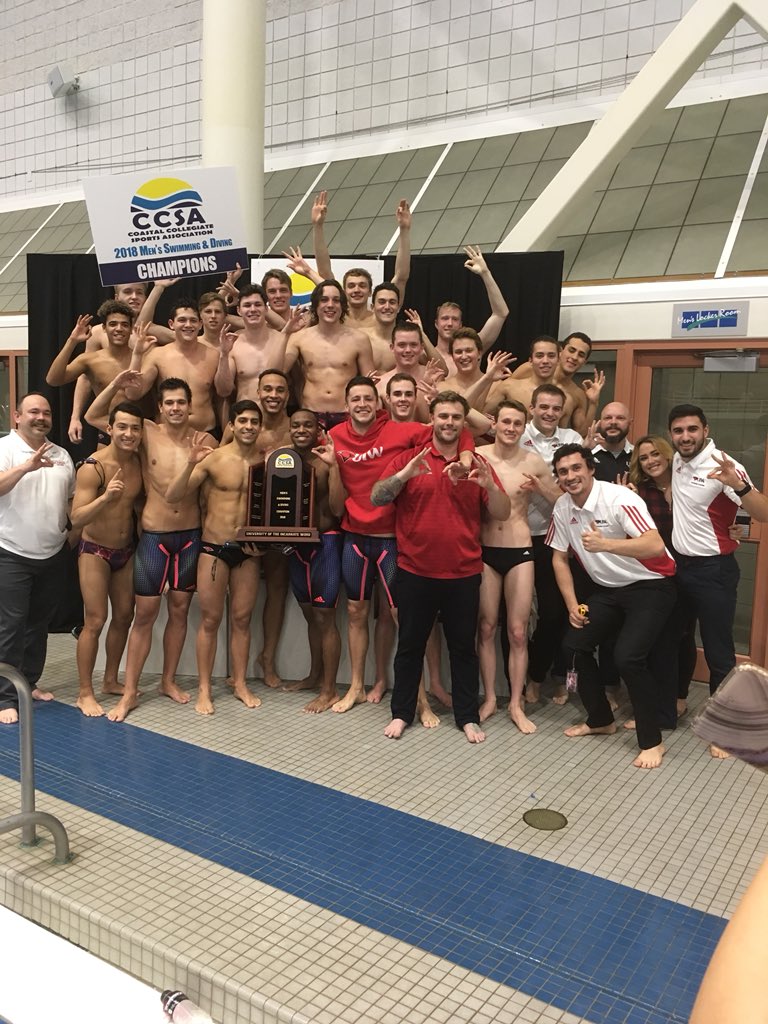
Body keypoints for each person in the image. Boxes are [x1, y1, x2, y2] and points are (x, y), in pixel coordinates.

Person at [371, 391, 511, 744]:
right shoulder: (410, 459)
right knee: (410, 647)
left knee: (462, 647)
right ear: (431, 418)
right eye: (443, 416)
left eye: (455, 417)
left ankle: (466, 716)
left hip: (463, 572)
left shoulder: (477, 464)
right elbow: (377, 496)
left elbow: (502, 511)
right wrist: (403, 475)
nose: (448, 422)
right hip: (415, 570)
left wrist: (489, 485)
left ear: (464, 422)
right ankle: (402, 713)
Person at [329, 376, 474, 716]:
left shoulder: (399, 430)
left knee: (405, 620)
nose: (362, 404)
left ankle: (421, 698)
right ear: (346, 403)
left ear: (378, 402)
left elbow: (456, 432)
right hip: (354, 536)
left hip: (391, 539)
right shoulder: (333, 437)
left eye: (368, 398)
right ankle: (355, 686)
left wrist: (466, 459)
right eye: (355, 399)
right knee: (355, 613)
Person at [85, 373, 218, 722]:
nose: (175, 408)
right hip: (155, 537)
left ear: (191, 407)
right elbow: (94, 417)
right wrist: (114, 385)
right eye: (169, 403)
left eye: (181, 402)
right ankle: (129, 692)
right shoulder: (146, 433)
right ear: (159, 408)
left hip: (189, 536)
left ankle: (168, 681)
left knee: (178, 610)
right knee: (143, 615)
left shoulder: (204, 440)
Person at [548, 444, 676, 769]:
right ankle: (600, 719)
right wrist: (572, 605)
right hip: (609, 590)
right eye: (563, 472)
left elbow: (654, 543)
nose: (571, 476)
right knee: (573, 647)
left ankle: (652, 742)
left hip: (651, 585)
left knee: (627, 658)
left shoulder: (619, 498)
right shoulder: (563, 507)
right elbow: (559, 557)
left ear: (590, 469)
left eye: (577, 468)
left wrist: (606, 544)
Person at [668, 403, 768, 758]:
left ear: (705, 430)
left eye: (692, 429)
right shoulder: (677, 461)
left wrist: (738, 486)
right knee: (675, 639)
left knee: (718, 651)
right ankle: (675, 704)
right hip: (680, 568)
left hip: (714, 571)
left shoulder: (723, 465)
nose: (685, 436)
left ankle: (724, 730)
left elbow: (762, 513)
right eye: (678, 431)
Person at [166, 400, 266, 715]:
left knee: (242, 619)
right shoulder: (214, 460)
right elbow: (173, 495)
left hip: (248, 552)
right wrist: (191, 463)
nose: (249, 426)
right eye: (243, 421)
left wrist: (265, 543)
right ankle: (205, 688)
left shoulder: (267, 463)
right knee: (210, 620)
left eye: (254, 421)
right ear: (232, 426)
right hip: (213, 548)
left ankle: (239, 682)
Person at [476, 401, 559, 731]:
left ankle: (515, 702)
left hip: (520, 548)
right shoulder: (479, 456)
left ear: (525, 427)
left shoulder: (534, 462)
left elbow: (560, 500)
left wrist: (541, 488)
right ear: (494, 424)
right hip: (484, 550)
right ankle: (490, 699)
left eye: (517, 423)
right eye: (506, 422)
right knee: (485, 627)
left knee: (518, 632)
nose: (511, 428)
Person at [0, 393, 75, 725]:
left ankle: (28, 684)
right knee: (11, 626)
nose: (40, 417)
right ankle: (4, 695)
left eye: (46, 413)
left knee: (38, 625)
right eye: (33, 411)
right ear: (17, 417)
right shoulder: (4, 450)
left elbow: (71, 503)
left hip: (52, 553)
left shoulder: (62, 455)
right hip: (11, 552)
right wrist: (26, 467)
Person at [70, 402, 144, 718]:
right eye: (123, 427)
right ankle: (84, 692)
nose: (129, 433)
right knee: (95, 620)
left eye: (135, 428)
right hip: (95, 550)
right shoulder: (93, 466)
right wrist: (106, 498)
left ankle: (111, 679)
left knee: (125, 616)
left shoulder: (139, 464)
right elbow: (76, 517)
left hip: (126, 551)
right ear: (110, 429)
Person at [282, 410, 346, 712]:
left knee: (326, 617)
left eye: (308, 425)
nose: (301, 430)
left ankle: (329, 690)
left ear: (318, 428)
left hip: (326, 542)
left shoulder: (326, 461)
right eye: (296, 425)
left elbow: (337, 507)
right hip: (297, 548)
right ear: (289, 429)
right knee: (311, 616)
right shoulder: (283, 462)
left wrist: (334, 469)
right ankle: (314, 675)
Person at [521, 384, 582, 705]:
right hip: (516, 537)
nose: (549, 413)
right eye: (543, 407)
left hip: (556, 540)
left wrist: (542, 488)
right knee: (513, 618)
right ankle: (515, 681)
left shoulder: (572, 440)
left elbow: (571, 493)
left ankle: (541, 676)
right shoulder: (517, 433)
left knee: (554, 614)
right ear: (532, 407)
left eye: (556, 409)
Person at [66, 281, 176, 444]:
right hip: (109, 421)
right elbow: (86, 377)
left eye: (139, 292)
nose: (134, 297)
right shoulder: (98, 333)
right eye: (128, 292)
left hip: (148, 419)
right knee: (107, 467)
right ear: (117, 297)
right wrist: (75, 417)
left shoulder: (156, 334)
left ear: (146, 297)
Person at [284, 280, 374, 430]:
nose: (330, 305)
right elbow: (279, 371)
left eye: (336, 300)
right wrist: (286, 333)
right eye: (324, 300)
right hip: (310, 415)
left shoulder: (360, 339)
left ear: (343, 305)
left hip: (347, 415)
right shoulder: (299, 338)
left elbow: (370, 383)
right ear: (315, 305)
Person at [125, 301, 220, 435]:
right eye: (182, 320)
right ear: (171, 324)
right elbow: (133, 394)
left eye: (193, 320)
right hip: (166, 435)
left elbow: (224, 396)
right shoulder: (158, 355)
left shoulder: (214, 355)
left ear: (200, 324)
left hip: (205, 433)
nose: (188, 325)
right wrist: (137, 354)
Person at [46, 302, 135, 444]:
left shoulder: (142, 358)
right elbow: (53, 379)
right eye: (113, 324)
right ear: (104, 328)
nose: (119, 329)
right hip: (107, 428)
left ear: (131, 329)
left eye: (124, 324)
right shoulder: (91, 360)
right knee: (105, 466)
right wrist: (72, 341)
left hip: (138, 429)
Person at [214, 284, 302, 407]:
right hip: (246, 418)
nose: (253, 309)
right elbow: (223, 391)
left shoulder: (283, 339)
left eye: (258, 304)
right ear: (239, 310)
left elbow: (276, 374)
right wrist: (223, 354)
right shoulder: (233, 343)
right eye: (247, 305)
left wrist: (285, 334)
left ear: (266, 309)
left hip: (276, 418)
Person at [432, 246, 509, 376]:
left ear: (461, 325)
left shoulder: (474, 347)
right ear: (436, 323)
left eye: (455, 319)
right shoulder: (426, 356)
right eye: (445, 318)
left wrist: (485, 273)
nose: (449, 323)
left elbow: (501, 313)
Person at [509, 332, 605, 433]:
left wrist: (594, 403)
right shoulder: (530, 369)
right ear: (560, 351)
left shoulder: (577, 395)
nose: (575, 357)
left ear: (584, 362)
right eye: (571, 350)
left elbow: (581, 434)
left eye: (581, 355)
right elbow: (505, 392)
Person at [483, 336, 559, 415]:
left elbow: (562, 427)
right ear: (530, 361)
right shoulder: (508, 387)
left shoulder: (566, 397)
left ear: (558, 360)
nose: (545, 361)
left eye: (551, 356)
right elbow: (483, 415)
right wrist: (488, 379)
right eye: (539, 356)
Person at [592, 402, 633, 481]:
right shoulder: (587, 454)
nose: (613, 422)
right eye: (608, 418)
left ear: (630, 423)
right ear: (600, 423)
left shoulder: (638, 456)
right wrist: (585, 449)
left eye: (620, 418)